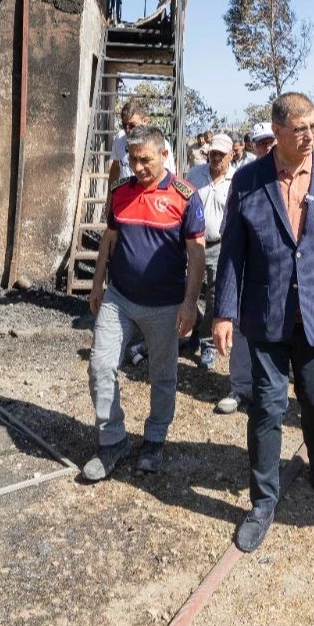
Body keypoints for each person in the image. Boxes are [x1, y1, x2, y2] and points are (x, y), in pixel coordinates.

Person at [213, 92, 314, 553]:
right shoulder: (249, 180)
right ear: (276, 132)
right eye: (301, 129)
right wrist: (223, 311)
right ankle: (263, 501)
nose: (311, 135)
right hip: (265, 316)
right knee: (266, 406)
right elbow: (234, 252)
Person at [82, 125, 204, 481]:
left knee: (162, 375)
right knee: (100, 366)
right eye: (133, 160)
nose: (138, 167)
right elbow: (109, 238)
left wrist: (190, 303)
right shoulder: (120, 192)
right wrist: (96, 283)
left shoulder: (185, 196)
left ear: (164, 155)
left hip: (165, 305)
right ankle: (112, 440)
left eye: (145, 160)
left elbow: (196, 256)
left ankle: (154, 439)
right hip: (119, 299)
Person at [186, 133, 253, 413]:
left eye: (221, 155)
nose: (215, 158)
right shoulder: (194, 174)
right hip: (193, 243)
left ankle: (207, 344)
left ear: (230, 156)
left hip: (220, 245)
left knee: (216, 295)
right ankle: (191, 334)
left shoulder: (237, 179)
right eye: (212, 153)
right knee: (188, 289)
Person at [108, 99, 176, 183]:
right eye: (124, 125)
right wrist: (110, 194)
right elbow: (115, 168)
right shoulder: (119, 139)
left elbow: (169, 177)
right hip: (126, 193)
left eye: (132, 125)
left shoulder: (159, 144)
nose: (128, 130)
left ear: (145, 121)